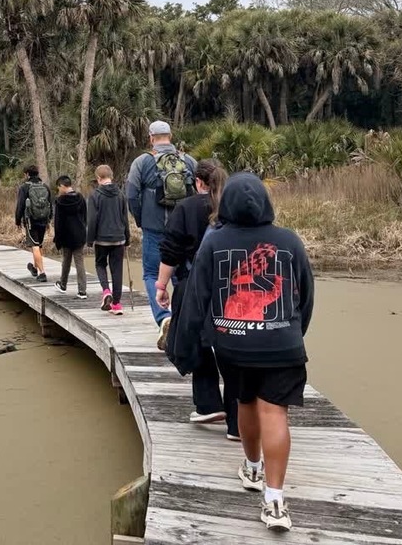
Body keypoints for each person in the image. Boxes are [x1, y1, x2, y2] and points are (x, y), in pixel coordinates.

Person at [171, 173, 314, 532]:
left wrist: (185, 345)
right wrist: (292, 333)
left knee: (245, 403)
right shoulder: (289, 241)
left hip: (233, 344)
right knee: (275, 412)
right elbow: (306, 296)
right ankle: (275, 500)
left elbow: (196, 298)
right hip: (284, 343)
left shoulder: (215, 242)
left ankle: (252, 469)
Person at [154, 160, 239, 440]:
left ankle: (208, 403)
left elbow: (171, 250)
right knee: (228, 343)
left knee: (195, 339)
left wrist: (161, 285)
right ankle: (237, 418)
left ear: (198, 182)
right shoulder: (234, 207)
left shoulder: (187, 207)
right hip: (232, 287)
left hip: (193, 285)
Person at [126, 120, 196, 348]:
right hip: (184, 231)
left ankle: (163, 318)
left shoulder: (142, 162)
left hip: (154, 230)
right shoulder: (188, 161)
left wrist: (141, 219)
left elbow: (131, 194)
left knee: (151, 274)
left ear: (151, 138)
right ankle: (183, 321)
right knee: (180, 275)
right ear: (171, 135)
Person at [87, 165, 131, 315]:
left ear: (99, 178)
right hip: (119, 238)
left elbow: (92, 220)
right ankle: (117, 305)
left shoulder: (95, 196)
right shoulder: (121, 195)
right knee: (117, 270)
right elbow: (125, 218)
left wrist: (89, 239)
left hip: (101, 239)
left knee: (100, 264)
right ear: (111, 176)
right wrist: (128, 238)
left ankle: (106, 291)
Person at [52, 175, 88, 298]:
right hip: (79, 235)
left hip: (66, 236)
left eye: (58, 187)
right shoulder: (80, 198)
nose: (58, 190)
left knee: (66, 260)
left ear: (62, 186)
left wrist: (57, 239)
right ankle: (82, 291)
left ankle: (63, 284)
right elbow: (85, 216)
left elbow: (58, 222)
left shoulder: (60, 201)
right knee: (79, 262)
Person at [15, 164, 52, 283]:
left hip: (31, 221)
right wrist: (49, 220)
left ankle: (42, 273)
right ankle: (35, 268)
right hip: (43, 220)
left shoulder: (24, 187)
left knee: (35, 245)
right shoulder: (45, 186)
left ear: (27, 174)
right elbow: (50, 204)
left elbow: (20, 205)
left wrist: (17, 220)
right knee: (39, 245)